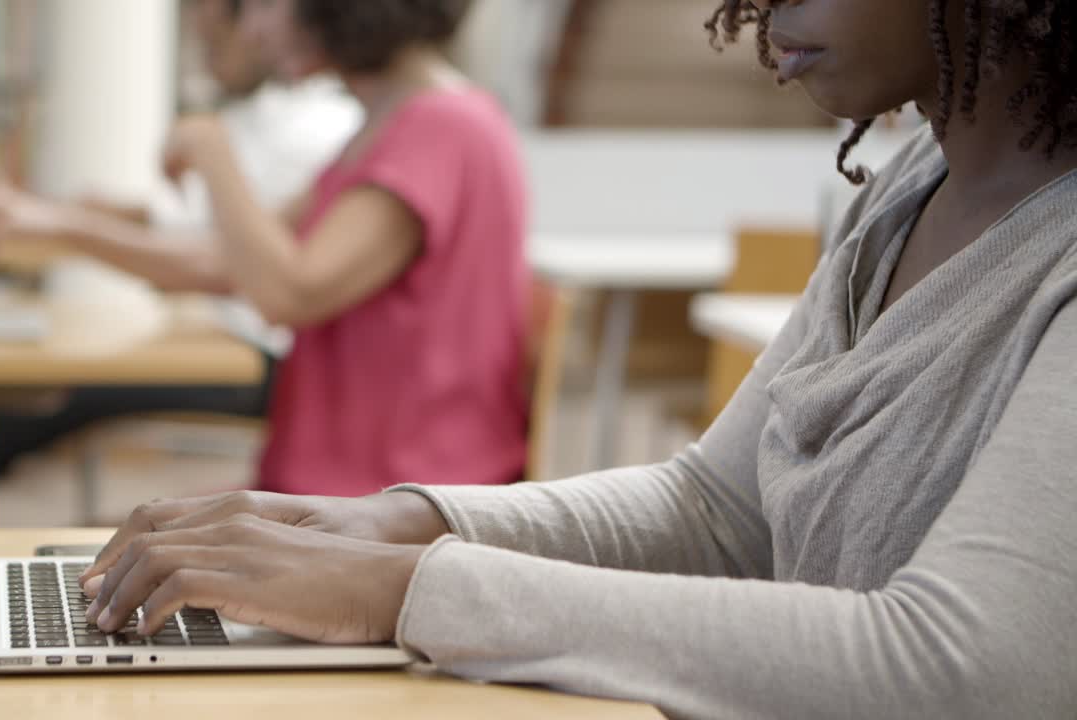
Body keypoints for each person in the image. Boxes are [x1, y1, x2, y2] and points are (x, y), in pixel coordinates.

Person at [76, 0, 1077, 717]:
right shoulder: (903, 192)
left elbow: (964, 673)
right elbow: (716, 514)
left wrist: (404, 586)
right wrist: (391, 522)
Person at [0, 0, 361, 476]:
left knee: (60, 403)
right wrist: (48, 212)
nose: (254, 32)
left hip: (270, 364)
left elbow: (230, 267)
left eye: (215, 38)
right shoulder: (284, 121)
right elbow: (194, 237)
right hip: (248, 347)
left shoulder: (317, 128)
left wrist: (209, 151)